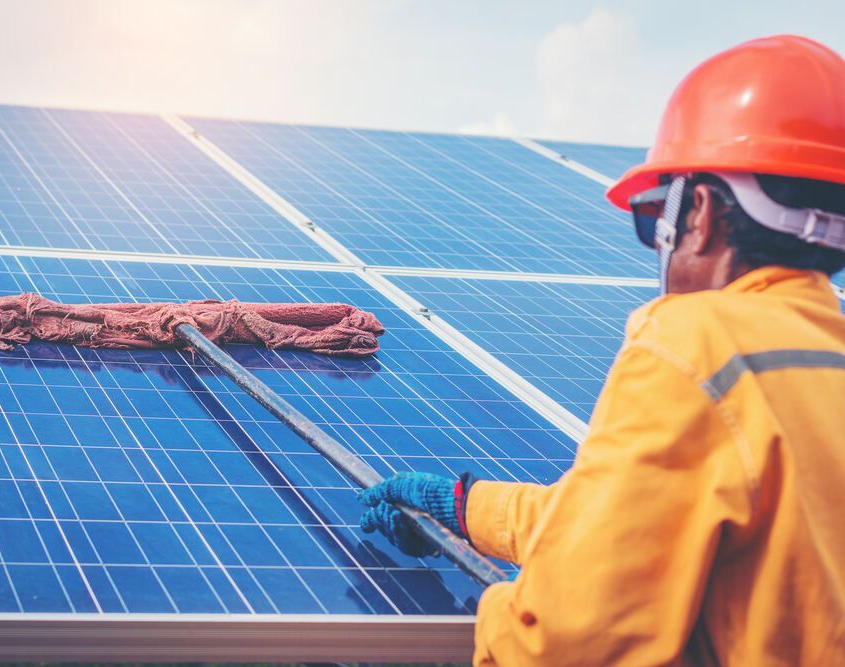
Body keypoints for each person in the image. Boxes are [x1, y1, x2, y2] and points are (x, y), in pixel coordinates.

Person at [357, 34, 845, 666]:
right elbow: (634, 528)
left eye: (652, 220)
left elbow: (562, 643)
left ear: (697, 212)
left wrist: (510, 609)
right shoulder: (821, 363)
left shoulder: (695, 350)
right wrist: (462, 506)